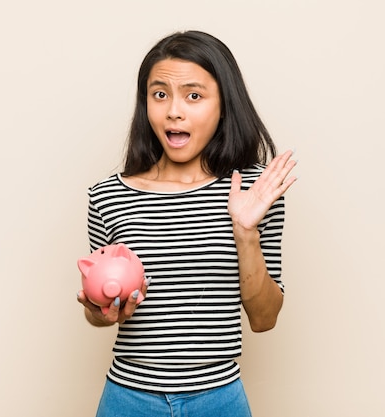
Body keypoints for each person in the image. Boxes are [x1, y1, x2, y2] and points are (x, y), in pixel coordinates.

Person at [77, 30, 297, 417]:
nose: (173, 111)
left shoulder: (255, 192)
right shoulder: (107, 196)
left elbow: (264, 320)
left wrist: (245, 232)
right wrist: (101, 311)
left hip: (219, 399)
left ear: (224, 105)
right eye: (159, 94)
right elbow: (99, 311)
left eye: (193, 95)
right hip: (128, 399)